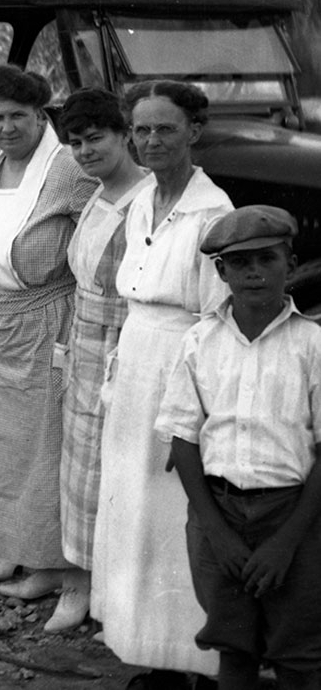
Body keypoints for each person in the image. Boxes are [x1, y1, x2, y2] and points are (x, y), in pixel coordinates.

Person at [94, 81, 227, 684]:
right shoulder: (142, 198)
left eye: (165, 128)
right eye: (141, 129)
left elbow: (215, 324)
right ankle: (143, 648)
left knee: (175, 515)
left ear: (194, 132)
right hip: (136, 364)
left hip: (179, 372)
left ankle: (190, 658)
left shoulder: (213, 212)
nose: (150, 140)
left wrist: (191, 416)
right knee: (131, 512)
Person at [157, 206, 321, 690]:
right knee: (233, 647)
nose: (255, 272)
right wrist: (216, 531)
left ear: (290, 265)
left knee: (300, 653)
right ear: (220, 272)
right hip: (218, 512)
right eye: (240, 263)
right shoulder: (199, 341)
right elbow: (183, 437)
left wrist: (286, 542)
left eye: (267, 259)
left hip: (294, 514)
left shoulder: (312, 344)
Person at [0, 66, 96, 602]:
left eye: (19, 116)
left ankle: (68, 576)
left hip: (47, 322)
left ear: (42, 115)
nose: (7, 127)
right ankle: (26, 557)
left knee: (49, 452)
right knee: (7, 452)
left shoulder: (66, 168)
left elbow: (104, 232)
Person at [55, 87, 151, 632]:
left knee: (113, 469)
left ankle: (111, 589)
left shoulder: (144, 198)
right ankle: (80, 581)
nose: (86, 151)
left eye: (96, 138)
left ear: (123, 136)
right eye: (75, 142)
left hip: (123, 345)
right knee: (80, 468)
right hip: (84, 342)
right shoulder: (98, 193)